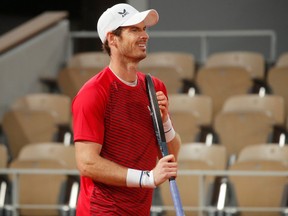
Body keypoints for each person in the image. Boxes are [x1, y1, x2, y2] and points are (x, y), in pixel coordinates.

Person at [72, 3, 181, 215]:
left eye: (144, 29)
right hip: (101, 211)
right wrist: (147, 178)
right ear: (112, 39)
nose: (144, 36)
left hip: (139, 210)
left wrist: (165, 120)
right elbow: (87, 163)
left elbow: (171, 155)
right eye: (134, 30)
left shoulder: (155, 87)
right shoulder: (93, 93)